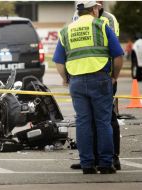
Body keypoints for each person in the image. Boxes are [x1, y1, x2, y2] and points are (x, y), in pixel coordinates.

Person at [53, 0, 123, 174]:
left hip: (76, 81)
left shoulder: (66, 30)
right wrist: (114, 76)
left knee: (83, 122)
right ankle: (106, 164)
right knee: (103, 122)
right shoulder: (102, 26)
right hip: (100, 79)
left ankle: (87, 164)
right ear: (93, 10)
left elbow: (59, 62)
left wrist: (66, 79)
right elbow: (118, 55)